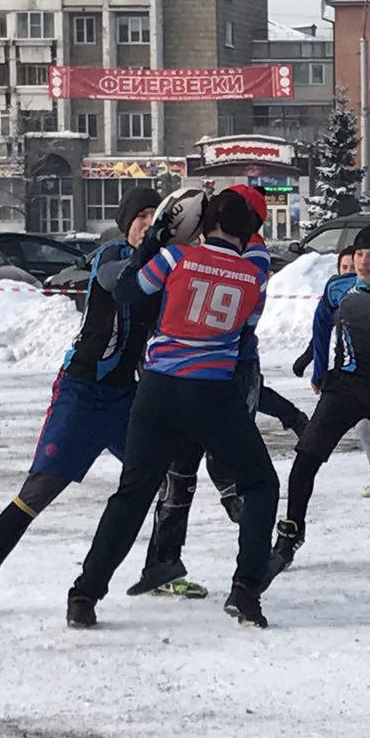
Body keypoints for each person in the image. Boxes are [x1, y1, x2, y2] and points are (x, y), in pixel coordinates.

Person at [66, 189, 278, 629]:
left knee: (133, 493)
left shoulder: (176, 259)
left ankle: (85, 594)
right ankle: (245, 591)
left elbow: (126, 292)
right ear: (248, 233)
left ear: (205, 226)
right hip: (212, 394)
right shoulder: (253, 278)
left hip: (158, 391)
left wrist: (154, 241)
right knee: (260, 483)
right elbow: (244, 339)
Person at [125, 184, 305, 600]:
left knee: (231, 469)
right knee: (184, 468)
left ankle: (252, 550)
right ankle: (165, 559)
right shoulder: (237, 251)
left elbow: (242, 320)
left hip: (228, 365)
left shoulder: (250, 254)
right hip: (210, 365)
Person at [0, 188, 161, 581]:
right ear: (126, 223)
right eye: (141, 215)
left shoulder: (159, 268)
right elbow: (114, 281)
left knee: (161, 475)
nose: (148, 222)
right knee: (38, 492)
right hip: (81, 392)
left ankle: (159, 568)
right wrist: (153, 247)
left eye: (155, 214)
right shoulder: (113, 254)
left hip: (124, 398)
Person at [266, 223, 370, 583]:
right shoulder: (337, 288)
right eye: (359, 254)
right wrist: (319, 369)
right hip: (343, 388)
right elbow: (320, 324)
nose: (363, 262)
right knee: (306, 457)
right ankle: (290, 532)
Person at [293, 247, 370, 497]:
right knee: (328, 429)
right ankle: (301, 478)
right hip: (344, 381)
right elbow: (321, 333)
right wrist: (311, 364)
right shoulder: (337, 295)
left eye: (353, 267)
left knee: (363, 427)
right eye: (344, 268)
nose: (349, 271)